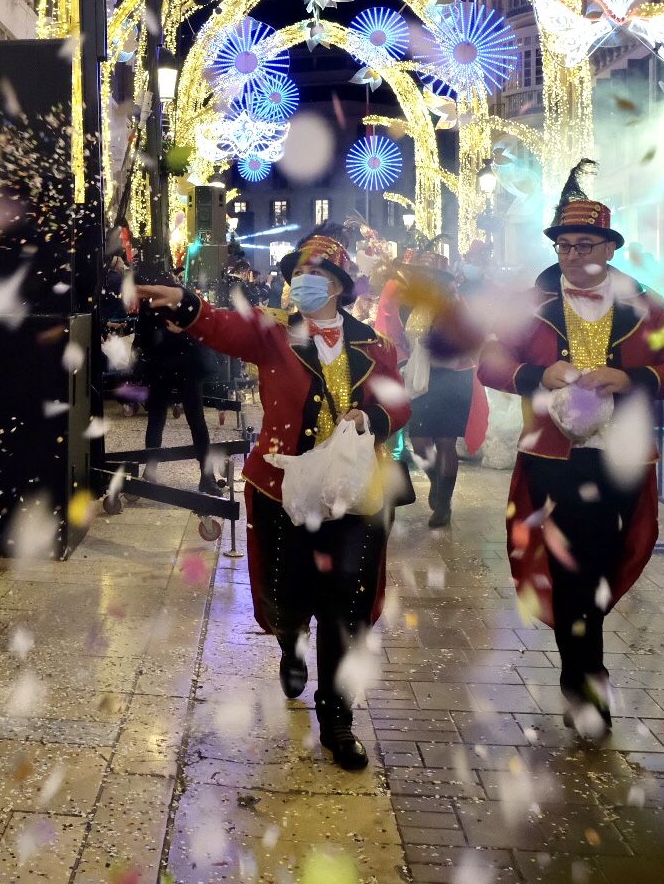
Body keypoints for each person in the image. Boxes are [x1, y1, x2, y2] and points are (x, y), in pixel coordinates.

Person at [138, 226, 409, 771]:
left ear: (336, 284)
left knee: (346, 605)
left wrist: (372, 417)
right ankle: (290, 643)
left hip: (356, 495)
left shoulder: (373, 345)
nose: (301, 284)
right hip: (283, 488)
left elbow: (397, 404)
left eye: (313, 275)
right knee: (290, 591)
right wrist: (189, 304)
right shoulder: (276, 335)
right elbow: (225, 328)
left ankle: (337, 717)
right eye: (297, 275)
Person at [476, 161, 664, 737]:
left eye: (587, 243)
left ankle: (581, 667)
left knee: (601, 565)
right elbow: (489, 364)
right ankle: (585, 683)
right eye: (565, 244)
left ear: (610, 245)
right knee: (572, 568)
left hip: (620, 456)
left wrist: (632, 379)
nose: (575, 254)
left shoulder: (647, 307)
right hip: (554, 457)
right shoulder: (529, 304)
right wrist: (537, 372)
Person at [376, 251, 486, 529]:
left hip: (452, 377)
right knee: (420, 440)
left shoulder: (453, 303)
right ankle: (437, 485)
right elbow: (400, 336)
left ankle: (443, 504)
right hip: (419, 378)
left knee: (446, 441)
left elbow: (467, 340)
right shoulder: (411, 303)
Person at [134, 260, 217, 495]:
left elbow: (144, 337)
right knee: (192, 420)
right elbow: (145, 336)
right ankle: (205, 476)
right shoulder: (175, 298)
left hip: (176, 366)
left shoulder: (166, 301)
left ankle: (153, 471)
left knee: (164, 419)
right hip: (174, 365)